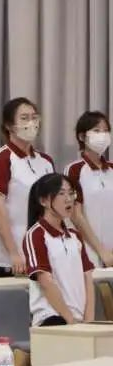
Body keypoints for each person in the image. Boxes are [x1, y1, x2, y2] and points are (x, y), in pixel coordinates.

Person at [0, 98, 55, 277]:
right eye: (24, 118)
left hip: (43, 255)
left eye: (34, 117)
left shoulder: (46, 161)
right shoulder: (1, 158)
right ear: (9, 125)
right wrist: (14, 253)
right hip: (11, 259)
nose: (31, 123)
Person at [24, 173, 95, 326]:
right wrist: (70, 320)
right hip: (51, 318)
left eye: (71, 193)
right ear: (43, 201)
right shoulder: (36, 234)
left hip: (78, 320)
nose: (68, 199)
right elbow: (45, 282)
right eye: (61, 193)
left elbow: (87, 277)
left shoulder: (75, 236)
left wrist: (89, 321)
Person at [66, 111, 113, 267]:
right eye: (96, 131)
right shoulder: (75, 170)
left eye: (106, 131)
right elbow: (75, 214)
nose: (103, 135)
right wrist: (101, 251)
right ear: (82, 136)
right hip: (89, 250)